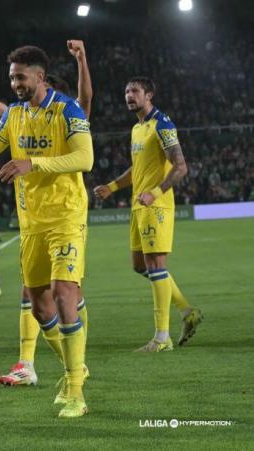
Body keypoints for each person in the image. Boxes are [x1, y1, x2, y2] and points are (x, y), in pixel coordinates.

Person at [0, 45, 94, 418]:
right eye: (12, 78)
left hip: (66, 217)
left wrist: (31, 163)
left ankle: (75, 391)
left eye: (20, 77)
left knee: (64, 294)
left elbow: (85, 158)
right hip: (31, 223)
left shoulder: (67, 108)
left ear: (40, 76)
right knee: (38, 306)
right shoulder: (14, 115)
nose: (15, 84)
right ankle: (75, 365)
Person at [93, 76, 202, 351]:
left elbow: (180, 166)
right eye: (126, 91)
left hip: (156, 205)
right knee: (140, 266)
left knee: (156, 266)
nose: (129, 96)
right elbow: (136, 169)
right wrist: (113, 186)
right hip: (137, 205)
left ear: (149, 95)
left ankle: (161, 337)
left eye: (135, 92)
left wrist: (156, 191)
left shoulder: (162, 124)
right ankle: (187, 311)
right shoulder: (136, 129)